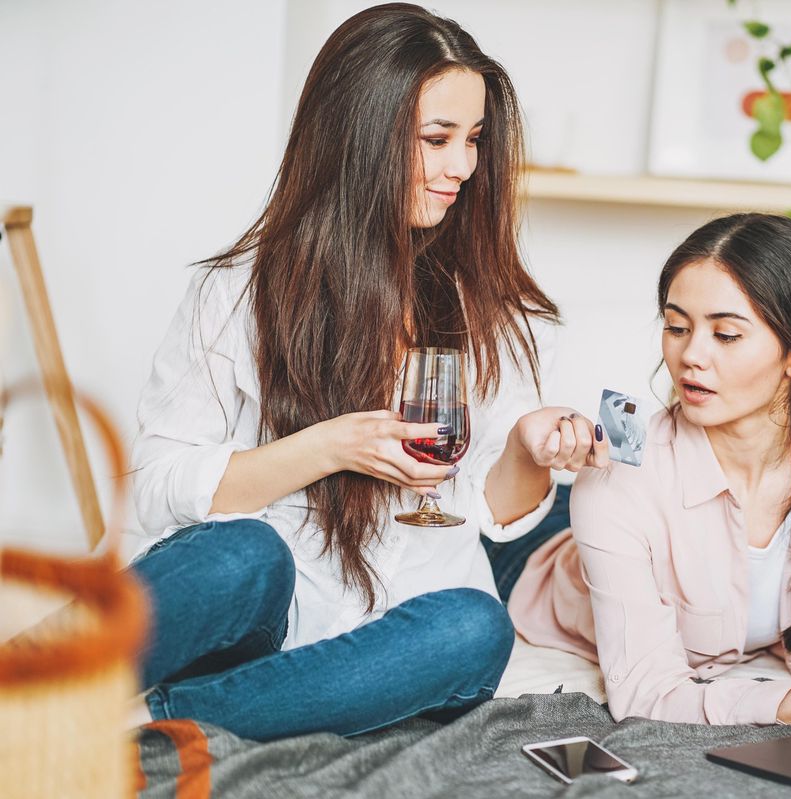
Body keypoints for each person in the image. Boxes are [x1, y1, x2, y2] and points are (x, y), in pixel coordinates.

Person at [127, 3, 606, 742]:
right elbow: (159, 486)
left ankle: (158, 721)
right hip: (269, 617)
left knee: (475, 628)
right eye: (437, 139)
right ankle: (40, 681)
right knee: (242, 555)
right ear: (361, 136)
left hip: (390, 638)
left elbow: (487, 506)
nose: (463, 167)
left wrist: (526, 446)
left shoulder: (477, 301)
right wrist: (329, 446)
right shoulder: (239, 293)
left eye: (474, 140)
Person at [505, 213, 791, 745]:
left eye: (725, 334)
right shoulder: (616, 477)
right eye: (677, 328)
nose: (691, 356)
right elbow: (648, 693)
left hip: (624, 510)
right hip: (529, 554)